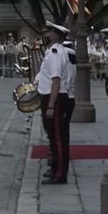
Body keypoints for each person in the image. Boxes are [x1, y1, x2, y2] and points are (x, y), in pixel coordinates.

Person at [37, 25, 72, 186]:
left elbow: (56, 80)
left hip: (55, 99)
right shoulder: (53, 52)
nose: (45, 35)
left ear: (54, 36)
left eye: (48, 33)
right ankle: (55, 169)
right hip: (52, 97)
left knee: (58, 138)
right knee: (53, 136)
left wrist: (51, 105)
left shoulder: (55, 53)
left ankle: (59, 174)